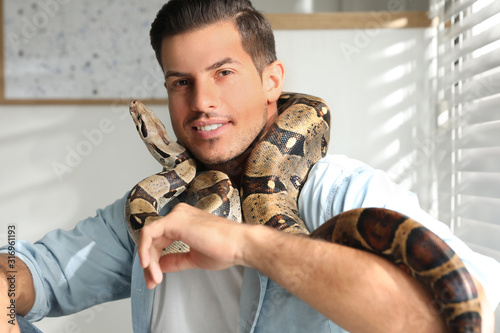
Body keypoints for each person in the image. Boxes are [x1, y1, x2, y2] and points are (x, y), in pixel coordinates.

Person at [1, 0, 499, 332]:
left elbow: (463, 311)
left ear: (271, 82)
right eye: (180, 82)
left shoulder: (342, 194)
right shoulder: (152, 208)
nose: (202, 102)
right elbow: (37, 275)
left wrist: (245, 244)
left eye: (224, 73)